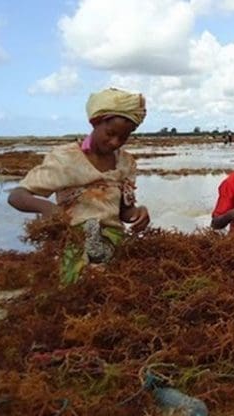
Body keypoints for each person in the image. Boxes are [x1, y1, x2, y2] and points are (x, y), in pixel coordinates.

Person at [8, 88, 150, 284]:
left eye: (123, 138)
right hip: (73, 237)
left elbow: (124, 212)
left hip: (114, 237)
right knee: (81, 284)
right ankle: (92, 246)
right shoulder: (66, 159)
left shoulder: (125, 163)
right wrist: (47, 208)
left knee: (116, 284)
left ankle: (99, 248)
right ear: (96, 122)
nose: (114, 142)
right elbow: (16, 196)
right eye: (110, 133)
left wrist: (138, 213)